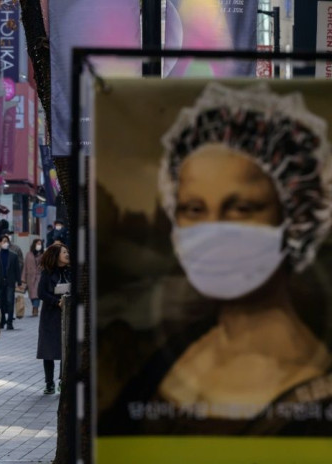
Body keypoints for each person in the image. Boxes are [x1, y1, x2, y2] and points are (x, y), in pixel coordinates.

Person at [101, 83, 332, 435]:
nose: (213, 231)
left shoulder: (312, 387)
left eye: (240, 207)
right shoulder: (171, 352)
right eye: (194, 209)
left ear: (295, 218)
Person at [37, 244, 70, 394]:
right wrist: (56, 302)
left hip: (67, 314)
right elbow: (41, 293)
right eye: (64, 252)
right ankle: (49, 382)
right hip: (51, 314)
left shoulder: (71, 272)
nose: (67, 254)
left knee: (66, 348)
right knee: (48, 349)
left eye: (67, 251)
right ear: (56, 255)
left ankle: (63, 380)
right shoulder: (47, 273)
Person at [0, 235, 22, 330]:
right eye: (3, 241)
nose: (6, 243)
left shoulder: (13, 255)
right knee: (0, 303)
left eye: (7, 241)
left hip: (10, 282)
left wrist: (19, 281)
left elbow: (17, 269)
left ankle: (10, 322)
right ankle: (2, 321)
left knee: (10, 301)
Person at [22, 239, 45, 316]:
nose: (39, 245)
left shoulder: (43, 254)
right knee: (32, 295)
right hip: (30, 277)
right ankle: (34, 306)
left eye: (40, 244)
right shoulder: (29, 254)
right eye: (38, 243)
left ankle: (35, 308)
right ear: (34, 244)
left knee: (36, 294)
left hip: (39, 276)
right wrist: (23, 278)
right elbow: (25, 266)